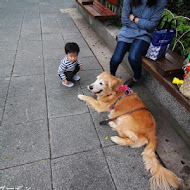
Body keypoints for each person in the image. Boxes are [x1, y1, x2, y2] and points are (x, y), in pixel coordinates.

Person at [110, 0, 167, 87]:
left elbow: (152, 25)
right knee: (116, 59)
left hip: (145, 34)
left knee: (133, 57)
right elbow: (125, 19)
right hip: (128, 31)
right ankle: (111, 77)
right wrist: (141, 25)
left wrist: (134, 19)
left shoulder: (160, 1)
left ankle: (136, 77)